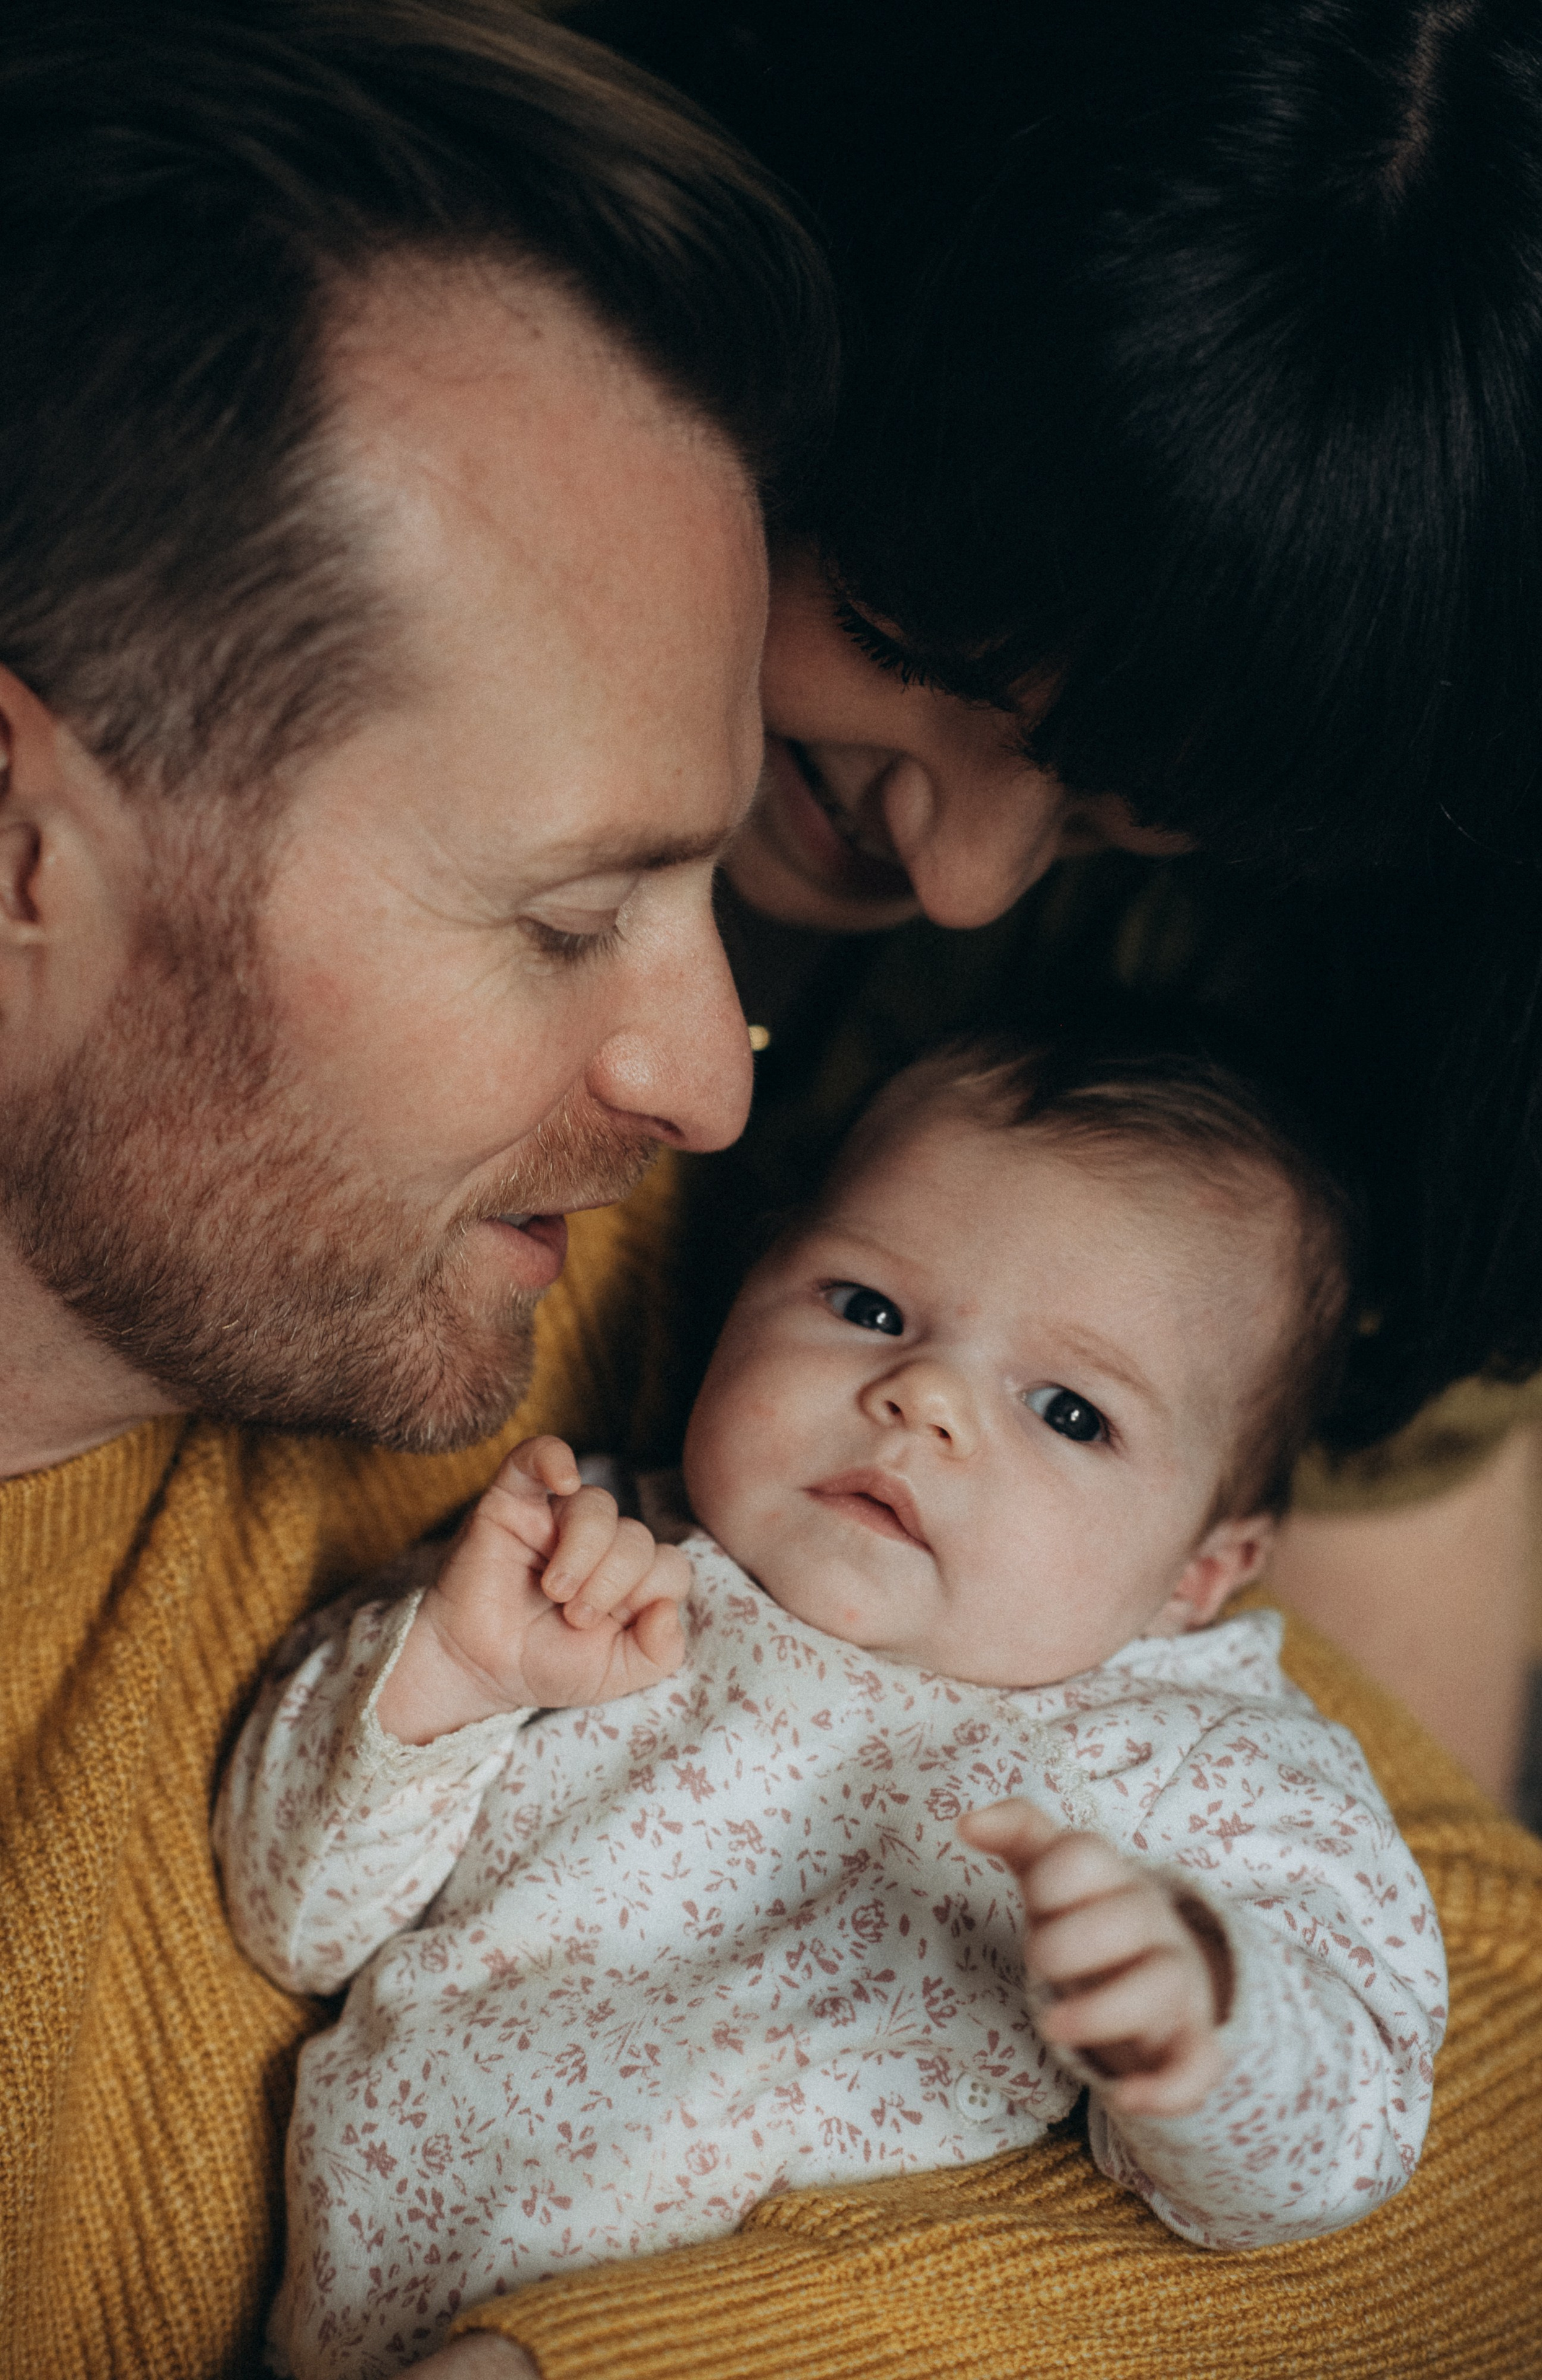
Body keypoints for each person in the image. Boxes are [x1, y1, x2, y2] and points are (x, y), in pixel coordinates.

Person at [0, 3, 834, 2373]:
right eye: (571, 923)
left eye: (708, 898)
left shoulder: (613, 1295)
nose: (708, 1080)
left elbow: (1509, 2030)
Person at [579, 0, 1542, 1805]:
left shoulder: (1346, 1024)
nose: (960, 882)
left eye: (1137, 815)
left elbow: (1410, 1909)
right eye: (904, 646)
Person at [216, 1035, 1445, 2376]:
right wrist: (452, 1678)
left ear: (1198, 1573)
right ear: (741, 1299)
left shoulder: (1197, 1756)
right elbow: (290, 1916)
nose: (921, 1400)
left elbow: (1342, 2144)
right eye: (865, 1306)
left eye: (1069, 1412)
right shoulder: (595, 1563)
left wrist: (1212, 2013)